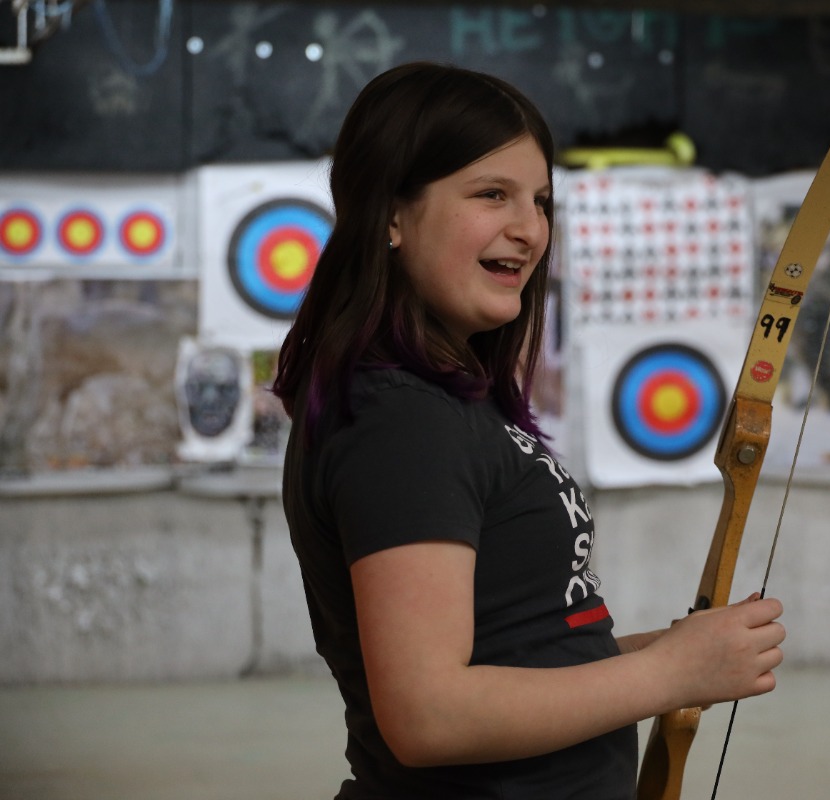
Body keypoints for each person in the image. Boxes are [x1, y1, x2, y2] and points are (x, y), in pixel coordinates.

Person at [274, 61, 785, 799]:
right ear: (390, 213)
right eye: (492, 195)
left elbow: (520, 654)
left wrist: (673, 655)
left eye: (541, 201)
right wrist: (670, 673)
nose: (529, 229)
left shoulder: (436, 401)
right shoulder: (401, 420)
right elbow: (428, 715)